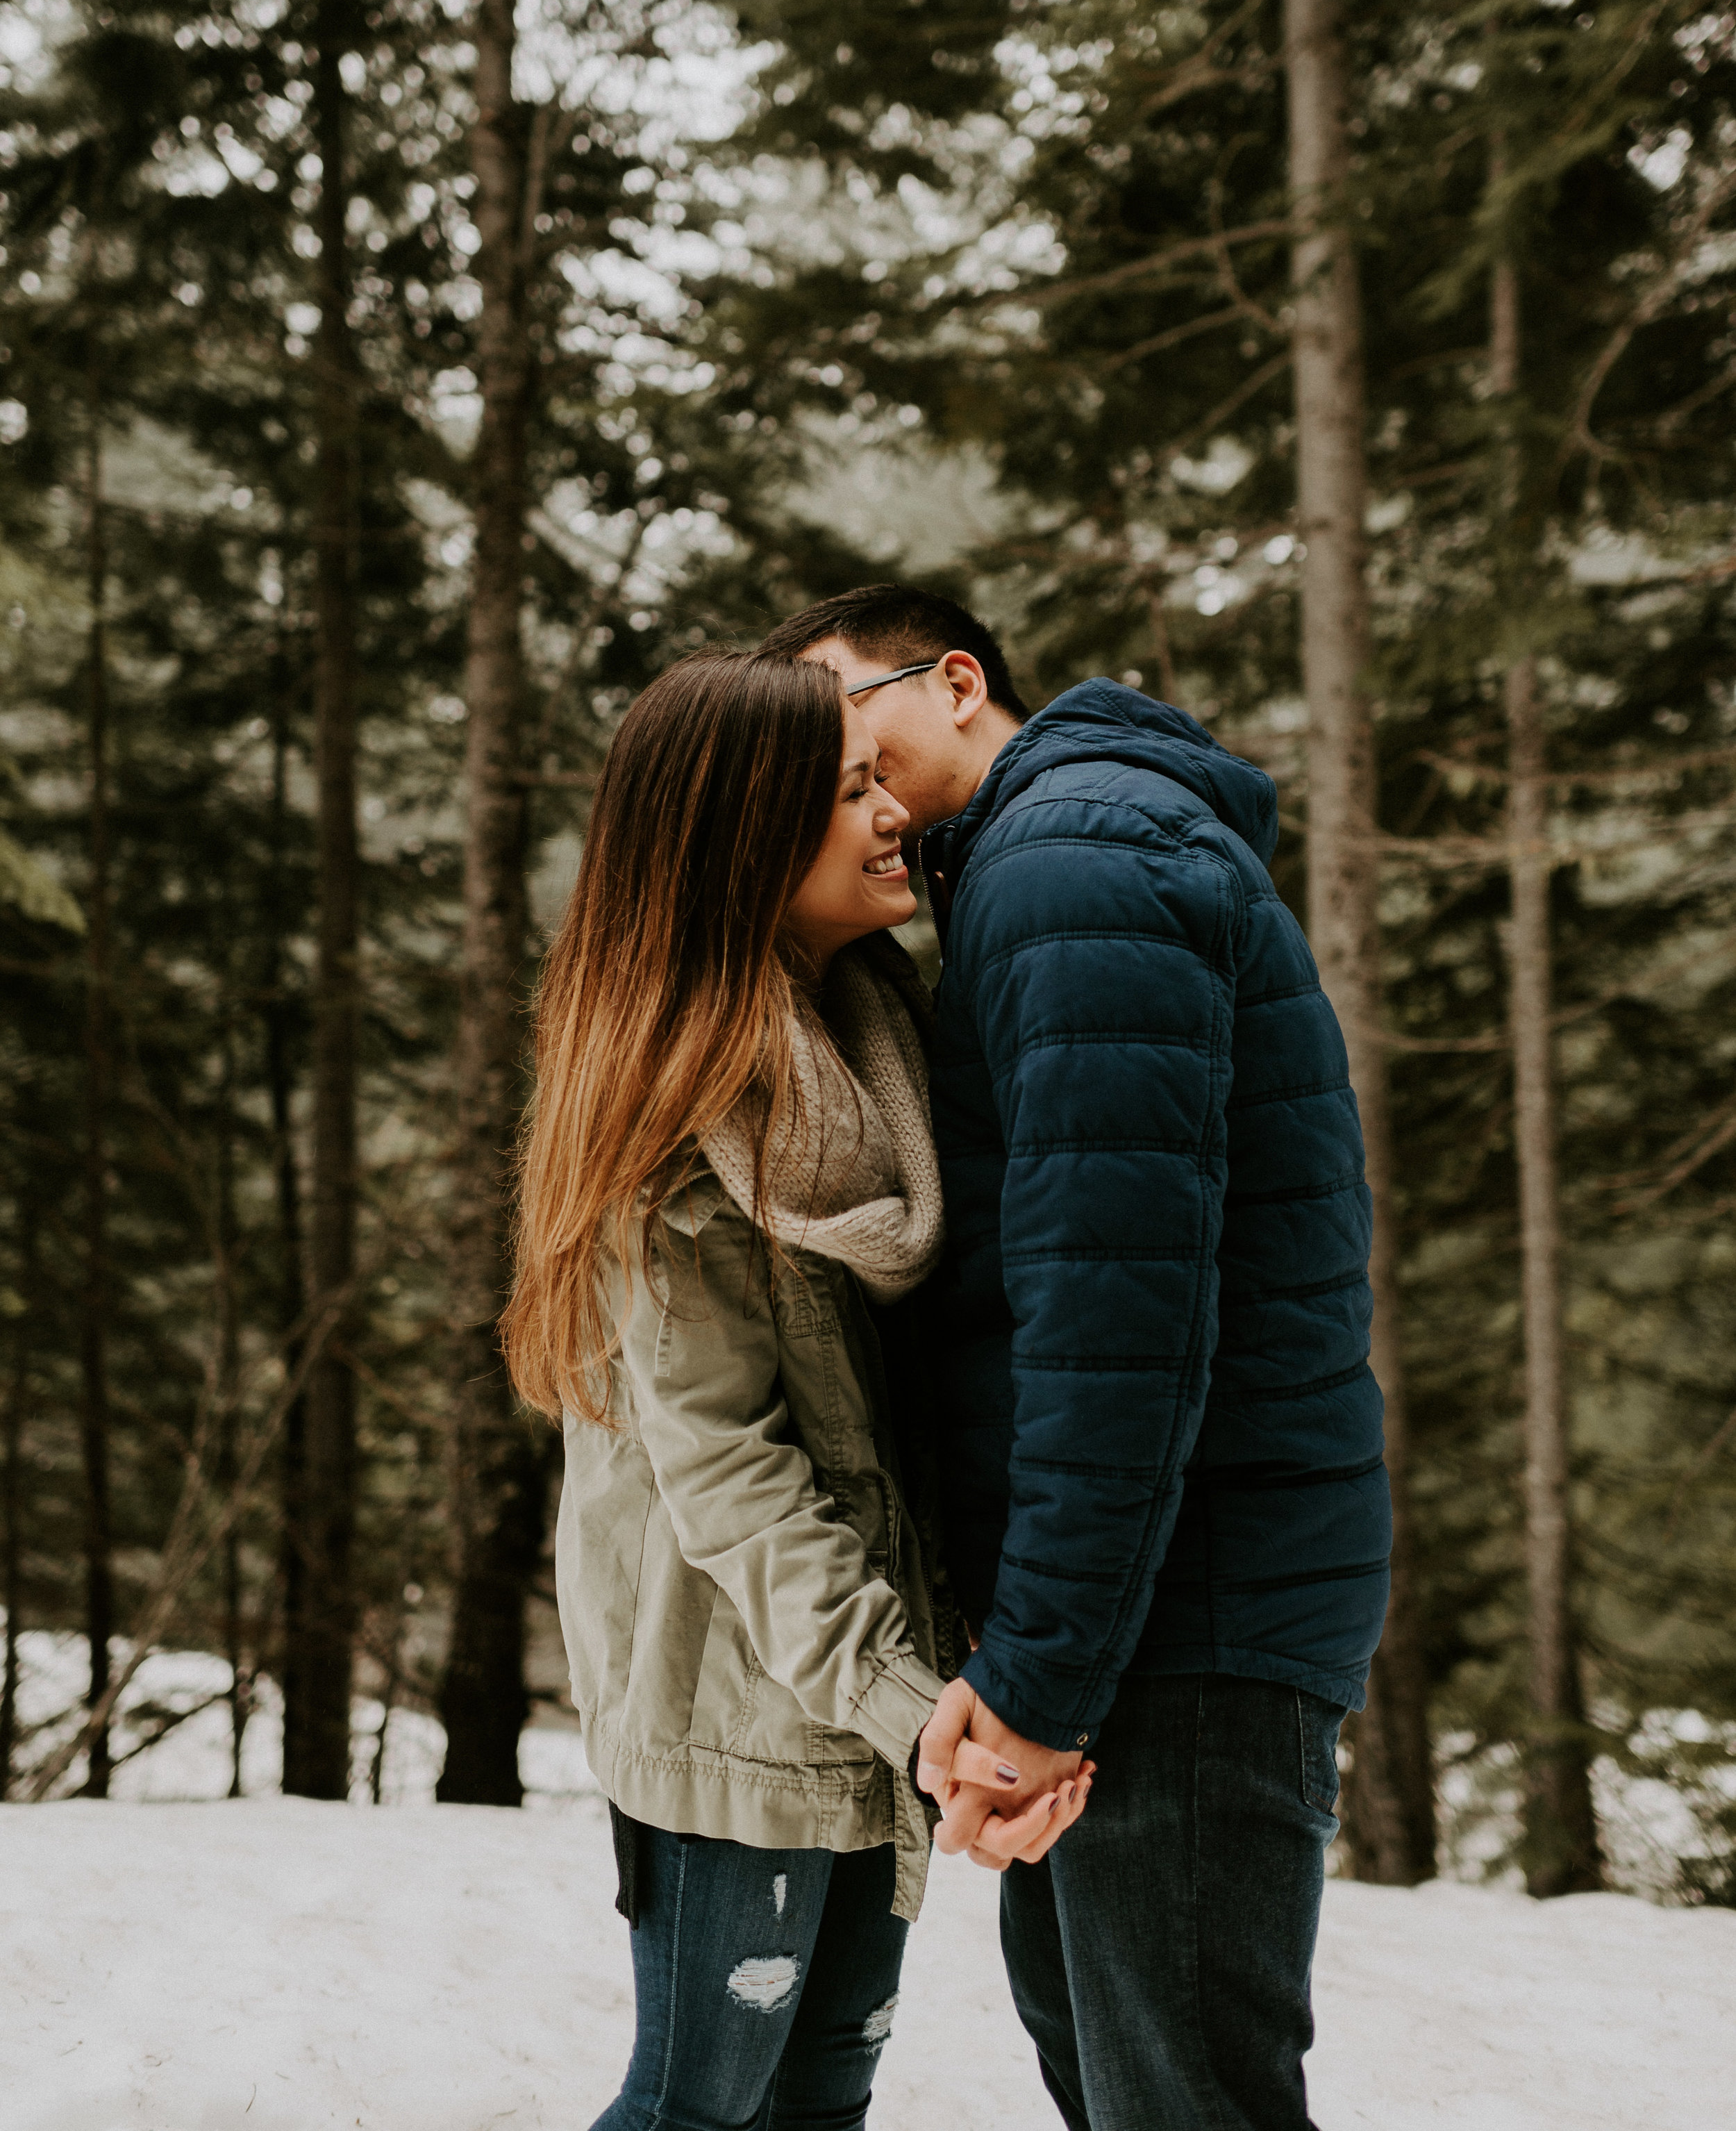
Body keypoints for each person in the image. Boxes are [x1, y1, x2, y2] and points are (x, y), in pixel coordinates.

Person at [758, 586, 1392, 2131]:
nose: (828, 774)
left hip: (1182, 1605)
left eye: (838, 717)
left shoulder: (1066, 864)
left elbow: (1115, 1324)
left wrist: (1039, 1678)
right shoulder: (1055, 860)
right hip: (1163, 1599)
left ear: (955, 679)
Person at [502, 649, 1090, 2131]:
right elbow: (733, 1473)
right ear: (742, 839)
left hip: (862, 1681)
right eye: (846, 793)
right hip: (734, 1703)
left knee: (820, 2098)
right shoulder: (676, 1111)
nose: (893, 810)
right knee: (699, 2103)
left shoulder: (873, 1031)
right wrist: (913, 1708)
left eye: (875, 776)